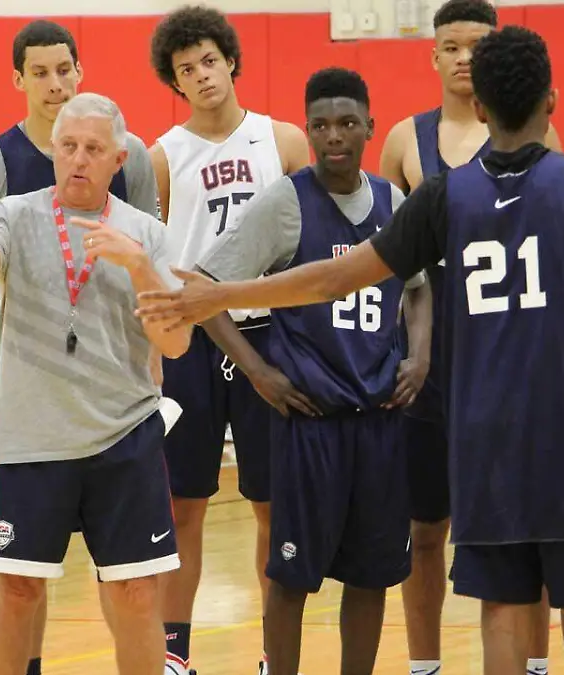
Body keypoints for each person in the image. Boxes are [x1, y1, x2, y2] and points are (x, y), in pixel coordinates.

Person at [135, 25, 564, 675]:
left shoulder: (445, 196)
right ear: (552, 99)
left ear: (482, 106)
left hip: (485, 439)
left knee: (503, 609)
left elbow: (336, 275)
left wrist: (216, 295)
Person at [191, 67, 429, 675]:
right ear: (308, 131)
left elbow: (422, 289)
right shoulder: (286, 201)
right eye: (320, 125)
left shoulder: (394, 202)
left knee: (372, 577)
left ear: (370, 127)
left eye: (347, 123)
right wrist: (256, 371)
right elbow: (205, 293)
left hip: (378, 420)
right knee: (292, 578)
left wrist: (419, 356)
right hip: (310, 423)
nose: (334, 137)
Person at [0, 92, 190, 675]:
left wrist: (138, 267)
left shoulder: (145, 234)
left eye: (94, 149)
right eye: (68, 146)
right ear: (53, 150)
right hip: (31, 438)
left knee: (134, 597)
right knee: (17, 593)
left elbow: (176, 344)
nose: (79, 159)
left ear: (118, 157)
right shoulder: (13, 214)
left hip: (124, 437)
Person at [377, 3, 559, 672]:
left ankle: (535, 661)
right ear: (432, 56)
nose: (461, 57)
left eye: (474, 46)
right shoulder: (403, 139)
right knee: (425, 527)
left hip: (513, 349)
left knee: (526, 526)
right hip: (431, 354)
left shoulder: (542, 135)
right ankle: (424, 663)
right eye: (449, 45)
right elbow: (386, 256)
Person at [147, 7, 311, 674]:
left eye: (209, 61)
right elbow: (154, 256)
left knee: (271, 506)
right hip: (193, 341)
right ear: (175, 82)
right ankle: (174, 656)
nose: (201, 75)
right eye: (186, 69)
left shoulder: (284, 141)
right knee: (184, 504)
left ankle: (276, 653)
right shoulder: (162, 156)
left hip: (269, 334)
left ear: (232, 61)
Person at [0, 19, 158, 408]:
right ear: (18, 80)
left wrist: (154, 375)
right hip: (34, 379)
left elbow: (152, 272)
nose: (55, 83)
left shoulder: (130, 155)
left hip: (119, 373)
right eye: (39, 73)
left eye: (63, 69)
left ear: (80, 72)